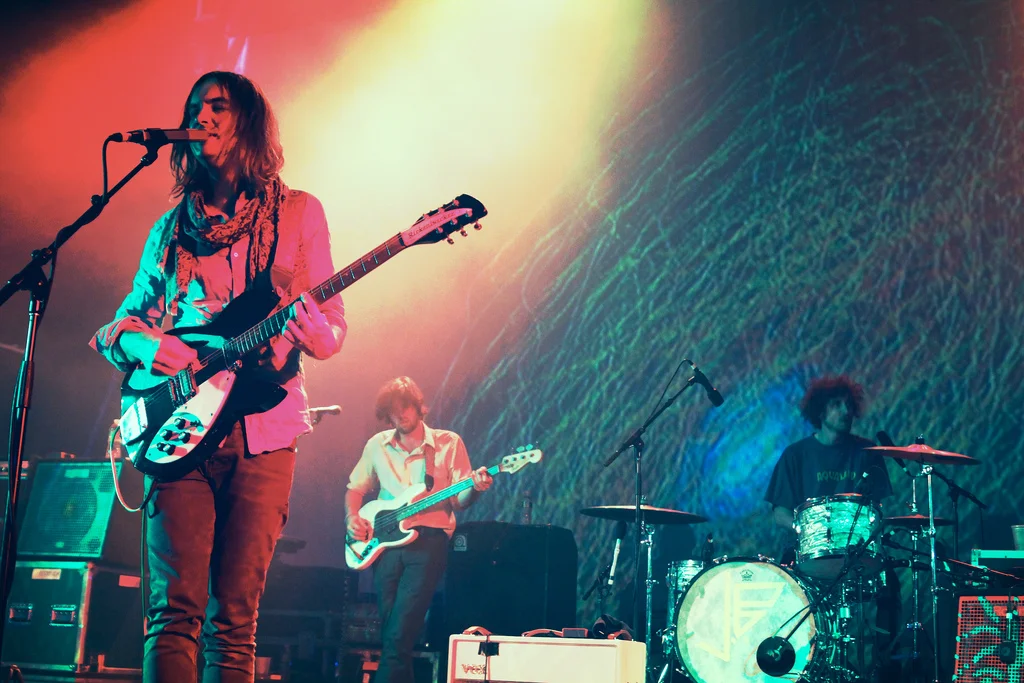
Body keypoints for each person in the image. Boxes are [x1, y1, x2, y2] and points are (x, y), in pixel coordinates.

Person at [91, 71, 347, 683]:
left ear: (249, 123)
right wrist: (151, 347)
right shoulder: (171, 229)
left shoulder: (299, 214)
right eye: (195, 106)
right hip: (178, 426)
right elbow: (120, 328)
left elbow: (333, 329)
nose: (202, 115)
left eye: (218, 106)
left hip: (263, 429)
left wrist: (311, 332)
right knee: (172, 614)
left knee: (235, 622)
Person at [346, 377, 492, 683]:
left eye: (406, 408)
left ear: (418, 406)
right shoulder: (377, 445)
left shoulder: (447, 442)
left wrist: (475, 488)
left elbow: (460, 501)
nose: (401, 415)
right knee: (394, 634)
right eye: (394, 411)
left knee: (399, 631)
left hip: (429, 543)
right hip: (384, 544)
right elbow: (355, 489)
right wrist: (352, 518)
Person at [765, 374, 893, 530]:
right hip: (811, 549)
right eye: (836, 405)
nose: (846, 411)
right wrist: (806, 531)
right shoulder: (795, 455)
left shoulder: (868, 452)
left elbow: (877, 508)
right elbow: (780, 513)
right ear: (820, 411)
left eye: (849, 405)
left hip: (857, 548)